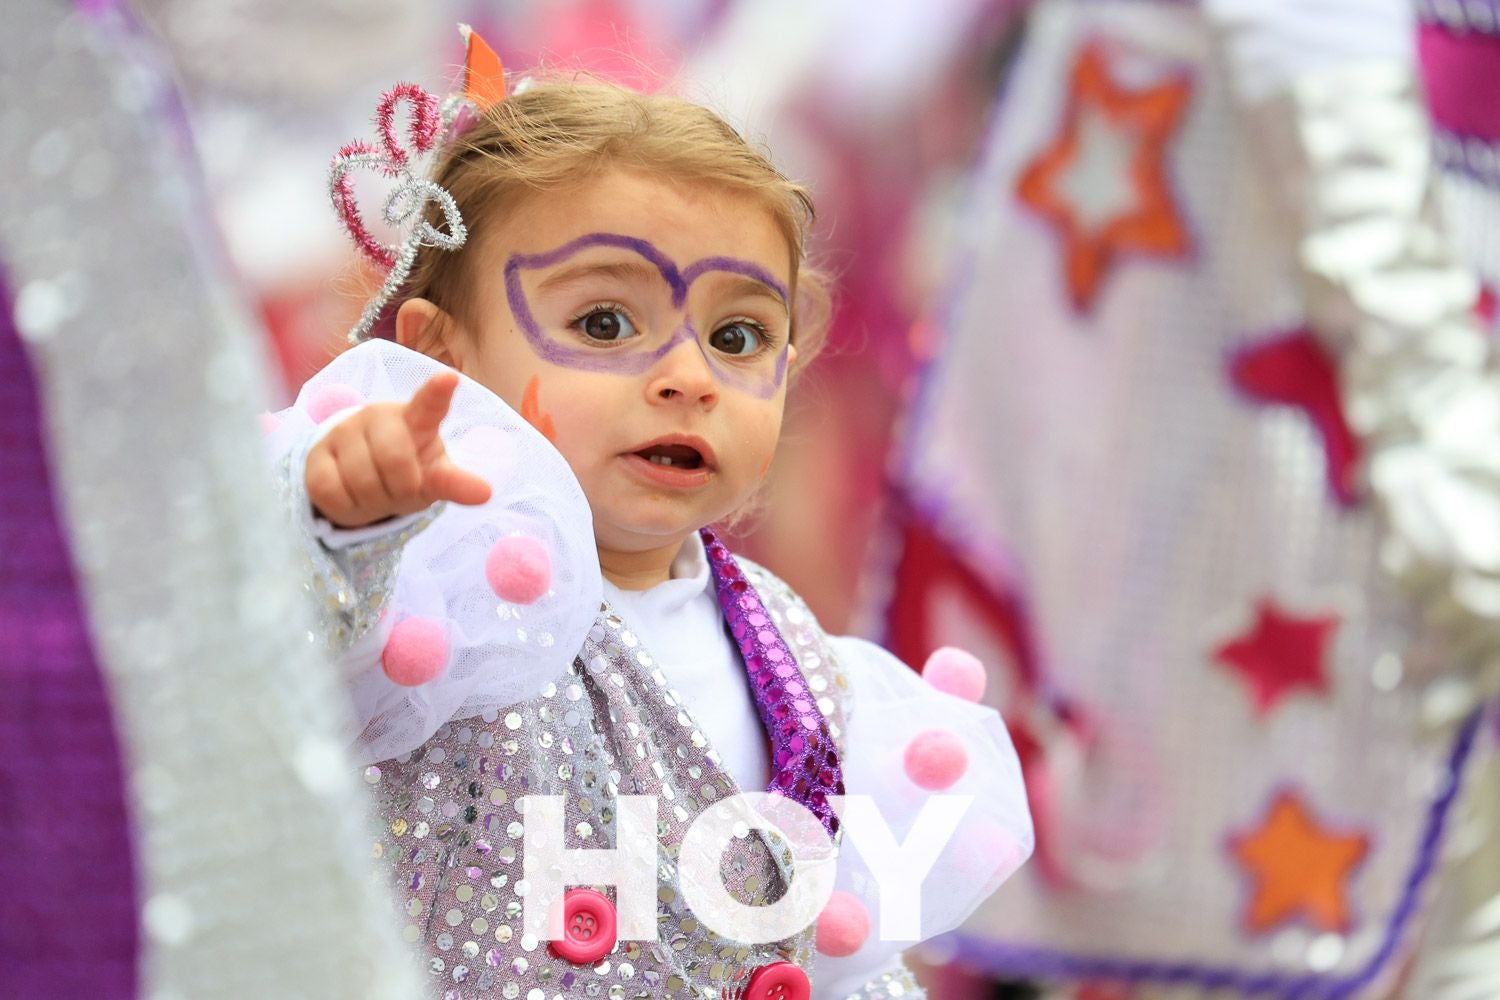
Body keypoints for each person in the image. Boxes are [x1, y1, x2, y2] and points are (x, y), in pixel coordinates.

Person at [264, 29, 1032, 1000]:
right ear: (442, 357)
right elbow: (286, 665)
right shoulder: (431, 588)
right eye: (605, 322)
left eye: (738, 336)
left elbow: (826, 956)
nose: (686, 378)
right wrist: (346, 526)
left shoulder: (807, 672)